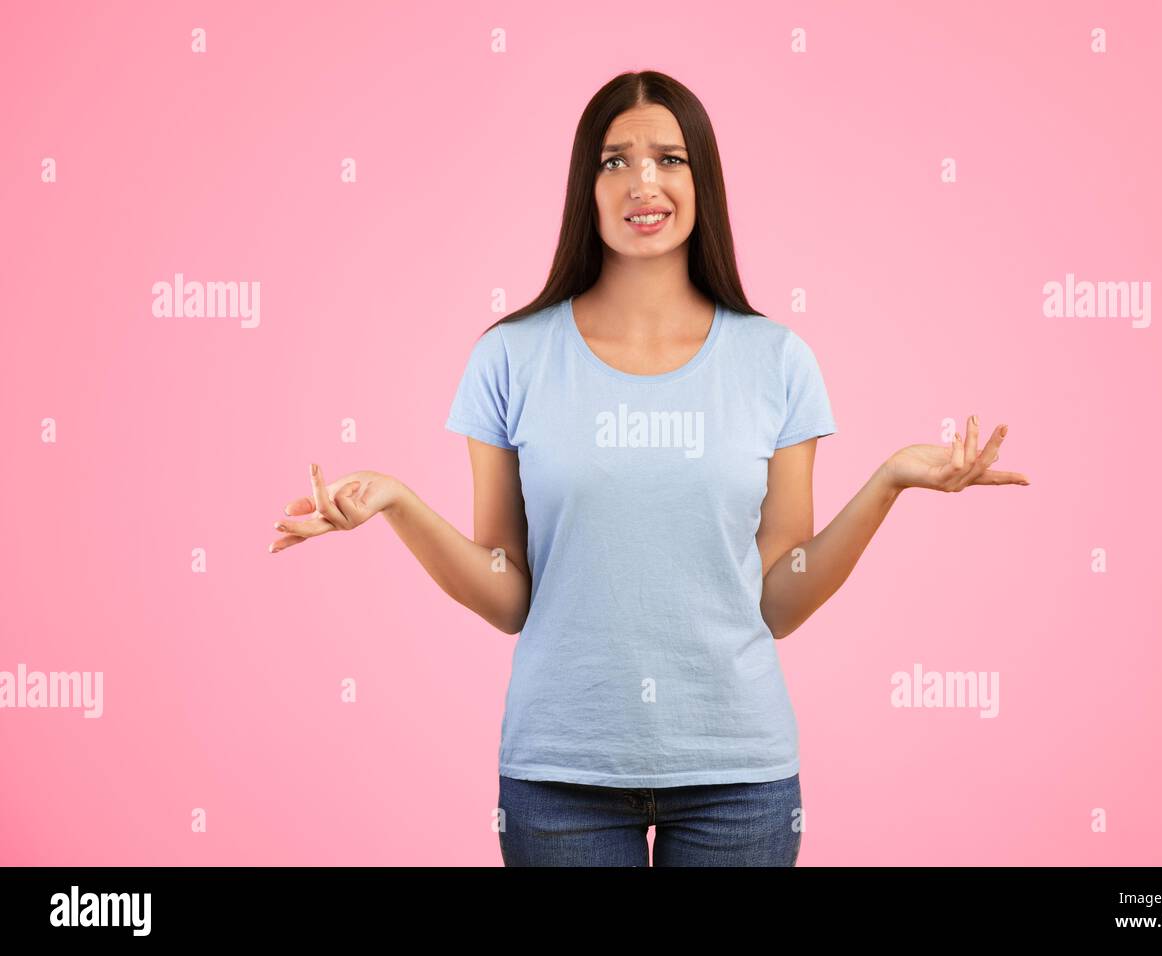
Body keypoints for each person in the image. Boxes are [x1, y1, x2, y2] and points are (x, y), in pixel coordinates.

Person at [267, 70, 1030, 867]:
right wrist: (397, 503)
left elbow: (778, 599)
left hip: (739, 775)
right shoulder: (510, 358)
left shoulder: (776, 360)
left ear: (702, 179)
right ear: (584, 188)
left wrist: (889, 483)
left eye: (669, 158)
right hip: (560, 774)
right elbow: (506, 593)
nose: (643, 182)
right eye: (613, 161)